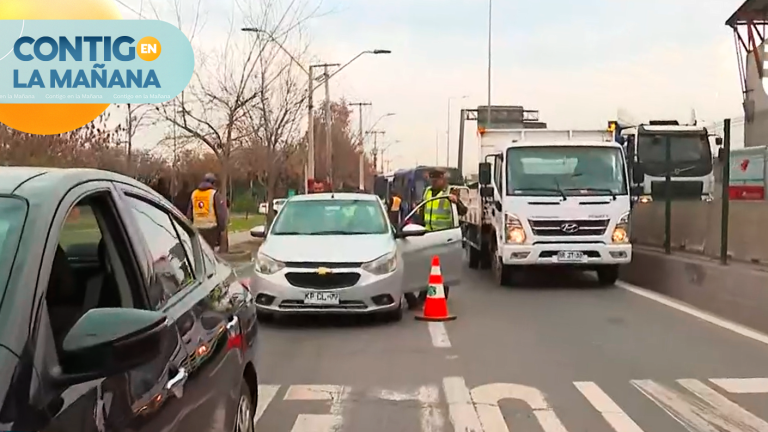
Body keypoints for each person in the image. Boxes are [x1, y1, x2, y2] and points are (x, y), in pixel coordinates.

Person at [187, 173, 229, 249]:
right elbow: (220, 213)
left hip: (197, 227)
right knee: (209, 251)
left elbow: (189, 213)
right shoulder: (214, 194)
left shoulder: (194, 194)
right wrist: (222, 227)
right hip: (211, 229)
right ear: (213, 183)